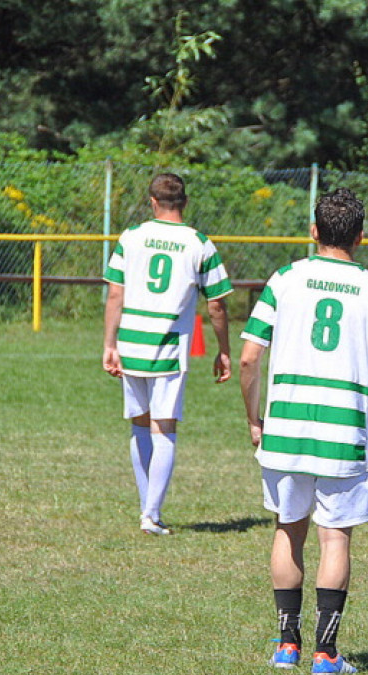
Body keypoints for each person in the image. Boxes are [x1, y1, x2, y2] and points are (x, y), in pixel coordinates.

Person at [239, 188, 368, 675]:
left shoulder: (284, 280)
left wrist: (255, 419)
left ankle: (286, 645)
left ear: (314, 231)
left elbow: (250, 357)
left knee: (287, 530)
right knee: (334, 538)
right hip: (346, 431)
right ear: (361, 236)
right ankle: (326, 653)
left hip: (287, 428)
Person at [103, 173, 233, 535]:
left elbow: (115, 294)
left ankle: (149, 510)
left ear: (152, 202)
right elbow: (217, 306)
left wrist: (109, 345)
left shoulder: (131, 237)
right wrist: (223, 351)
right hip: (168, 347)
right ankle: (151, 515)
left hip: (130, 343)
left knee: (140, 424)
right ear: (185, 203)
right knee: (164, 427)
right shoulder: (199, 243)